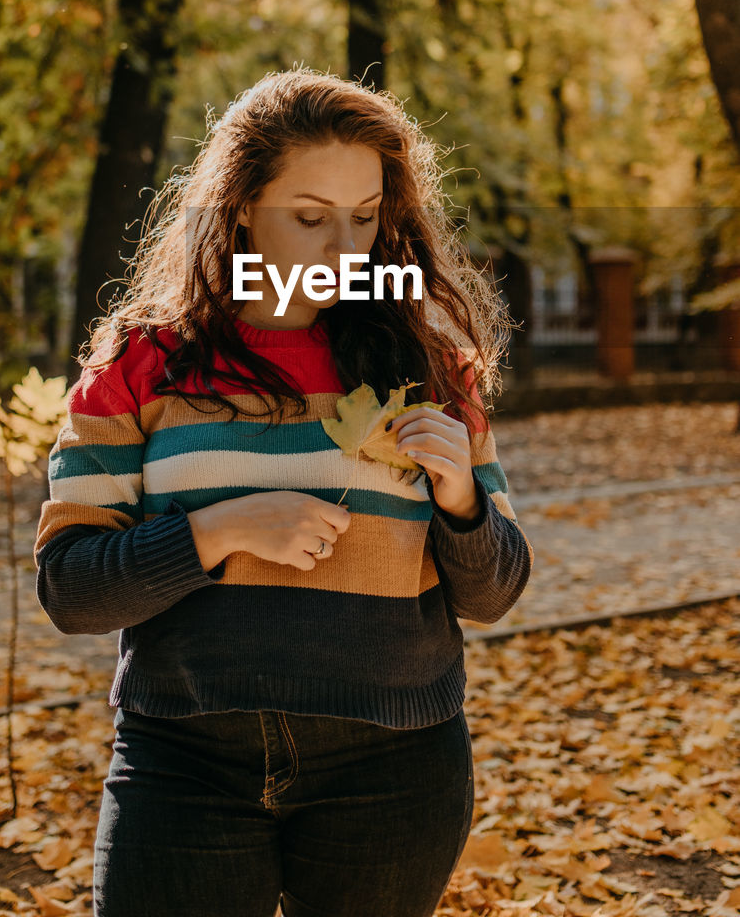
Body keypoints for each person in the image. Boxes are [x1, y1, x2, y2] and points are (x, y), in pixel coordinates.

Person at [34, 64, 534, 917]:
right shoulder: (139, 365)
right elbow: (70, 589)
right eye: (308, 218)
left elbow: (493, 594)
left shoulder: (432, 367)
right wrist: (216, 530)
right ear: (237, 208)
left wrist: (459, 501)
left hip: (395, 770)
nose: (345, 249)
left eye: (364, 218)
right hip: (183, 764)